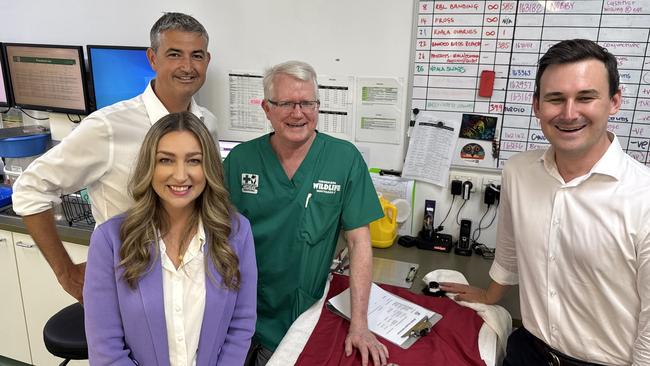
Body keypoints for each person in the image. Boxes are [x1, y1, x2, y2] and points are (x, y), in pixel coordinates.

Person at [440, 39, 650, 365]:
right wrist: (489, 295)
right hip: (527, 351)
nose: (569, 113)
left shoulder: (644, 195)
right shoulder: (519, 171)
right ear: (537, 105)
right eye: (555, 99)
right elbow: (510, 247)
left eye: (585, 97)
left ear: (614, 102)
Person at [12, 12, 218, 303]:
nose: (187, 66)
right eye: (174, 54)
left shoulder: (207, 124)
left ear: (207, 60)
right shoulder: (108, 127)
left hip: (189, 281)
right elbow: (30, 188)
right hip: (129, 284)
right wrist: (65, 272)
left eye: (196, 55)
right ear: (153, 58)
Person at [223, 60, 389, 366]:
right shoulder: (240, 160)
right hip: (238, 311)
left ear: (318, 106)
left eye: (307, 103)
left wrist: (360, 324)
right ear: (267, 108)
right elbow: (215, 235)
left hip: (299, 315)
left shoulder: (344, 159)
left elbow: (358, 243)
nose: (298, 113)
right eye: (286, 103)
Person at [84, 112, 256, 365]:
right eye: (166, 160)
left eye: (193, 161)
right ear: (149, 167)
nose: (179, 175)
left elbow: (240, 325)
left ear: (208, 167)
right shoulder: (110, 241)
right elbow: (105, 348)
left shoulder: (237, 233)